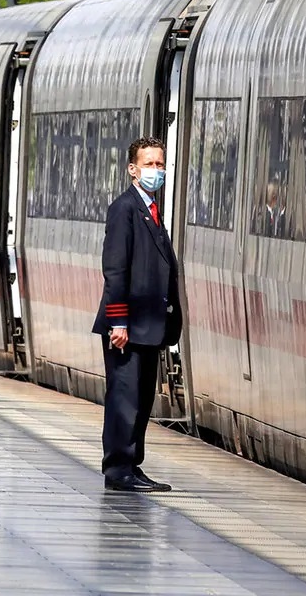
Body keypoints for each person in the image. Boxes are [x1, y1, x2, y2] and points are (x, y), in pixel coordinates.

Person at [93, 136, 181, 492]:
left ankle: (132, 464)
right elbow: (115, 268)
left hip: (148, 325)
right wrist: (117, 320)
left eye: (160, 164)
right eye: (149, 164)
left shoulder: (152, 210)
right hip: (127, 325)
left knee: (142, 400)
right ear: (133, 169)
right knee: (124, 399)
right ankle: (118, 469)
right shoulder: (125, 208)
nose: (155, 171)